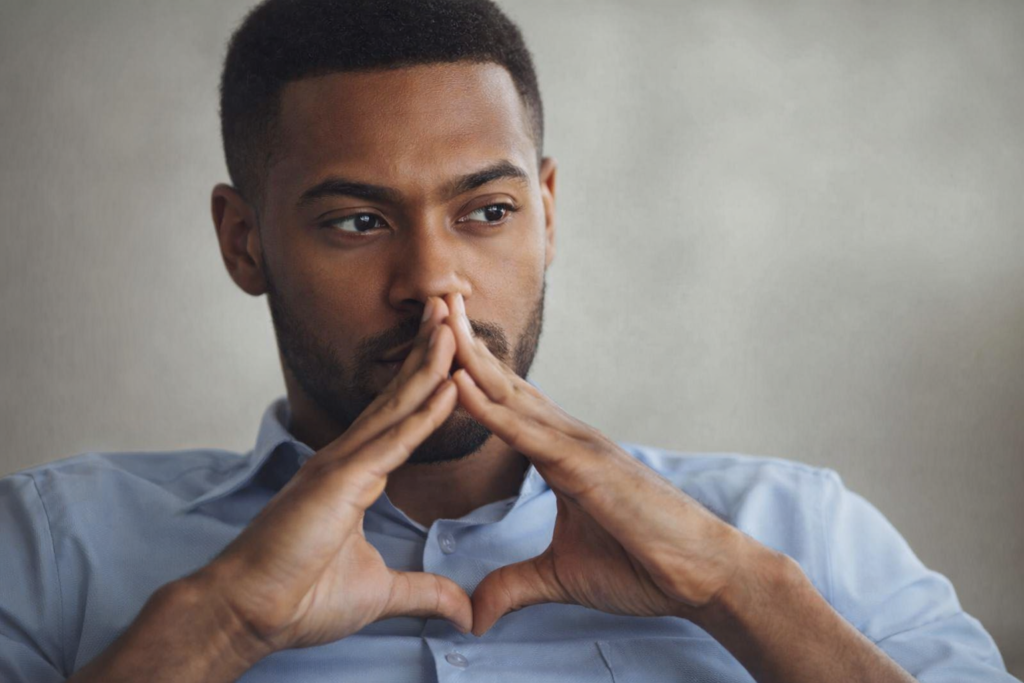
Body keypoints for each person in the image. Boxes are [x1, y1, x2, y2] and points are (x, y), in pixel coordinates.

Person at [0, 0, 1017, 681]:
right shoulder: (53, 549)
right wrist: (220, 619)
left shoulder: (797, 532)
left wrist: (737, 590)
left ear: (548, 214)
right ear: (242, 240)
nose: (432, 280)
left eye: (485, 211)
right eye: (357, 220)